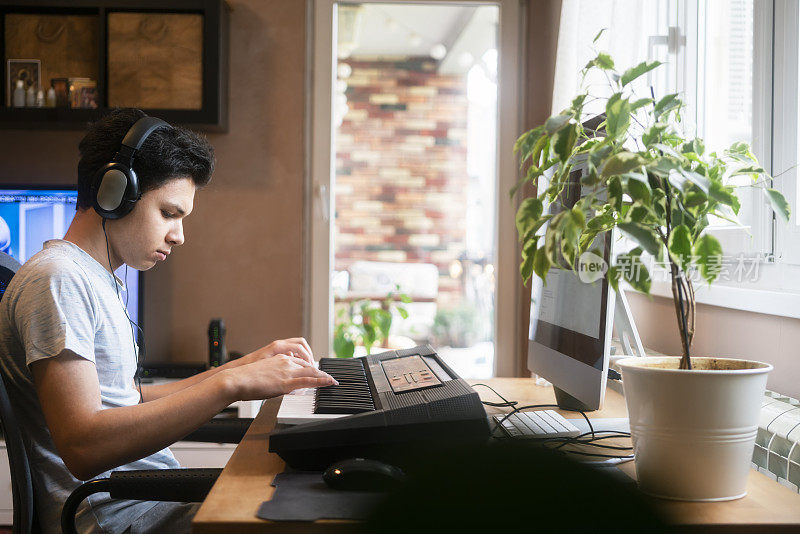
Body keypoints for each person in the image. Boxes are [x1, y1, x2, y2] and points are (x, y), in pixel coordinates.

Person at [0, 108, 337, 534]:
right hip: (119, 517)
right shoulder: (58, 280)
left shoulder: (90, 279)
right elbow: (83, 445)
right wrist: (228, 385)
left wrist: (242, 367)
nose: (179, 235)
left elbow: (128, 402)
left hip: (138, 504)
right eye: (169, 213)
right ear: (114, 191)